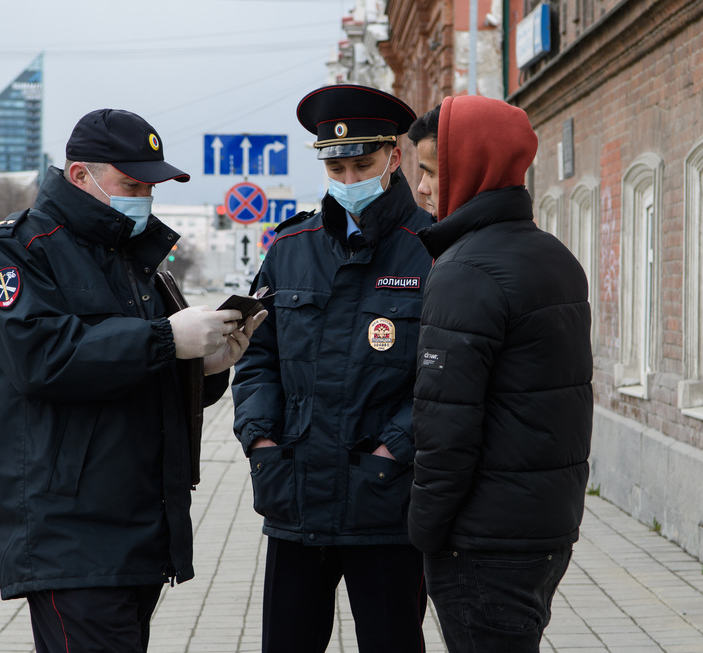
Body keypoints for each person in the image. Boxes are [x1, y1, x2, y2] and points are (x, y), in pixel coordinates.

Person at [0, 108, 264, 653]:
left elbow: (132, 380)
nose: (144, 198)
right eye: (131, 184)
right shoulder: (20, 250)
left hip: (137, 524)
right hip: (70, 530)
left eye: (151, 186)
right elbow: (42, 359)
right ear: (81, 175)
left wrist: (204, 367)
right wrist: (165, 341)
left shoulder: (134, 259)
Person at [231, 84, 433, 653]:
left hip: (386, 504)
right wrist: (262, 442)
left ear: (394, 158)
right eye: (336, 167)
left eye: (361, 165)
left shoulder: (431, 250)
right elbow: (255, 359)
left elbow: (445, 381)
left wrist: (393, 451)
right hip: (295, 499)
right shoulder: (290, 247)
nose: (348, 181)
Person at [406, 95, 594, 652]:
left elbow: (446, 428)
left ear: (473, 167)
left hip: (482, 540)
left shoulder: (466, 271)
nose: (420, 188)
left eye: (431, 172)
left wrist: (424, 531)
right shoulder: (553, 255)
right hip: (544, 526)